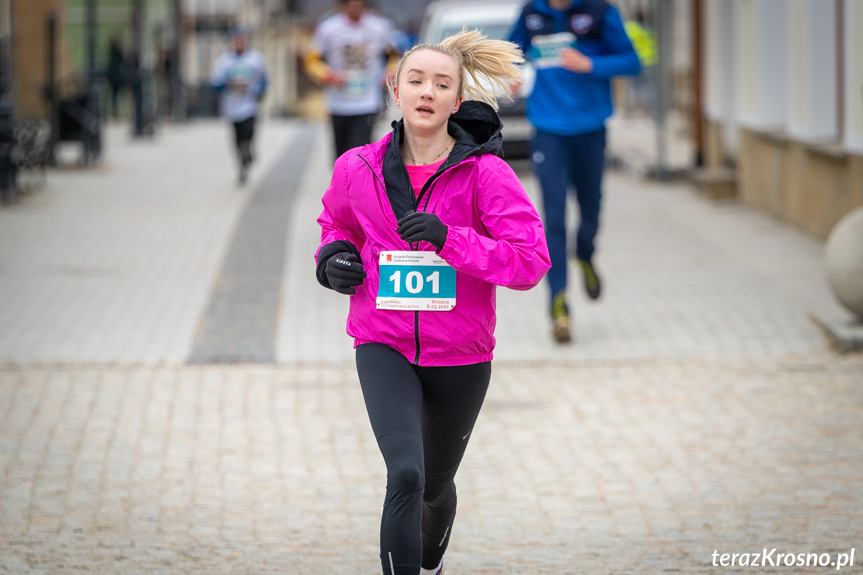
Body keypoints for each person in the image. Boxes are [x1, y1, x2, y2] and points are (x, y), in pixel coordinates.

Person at [314, 29, 550, 575]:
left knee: (435, 488)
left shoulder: (486, 174)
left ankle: (431, 557)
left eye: (441, 84)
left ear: (456, 100)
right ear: (394, 89)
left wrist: (451, 240)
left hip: (461, 354)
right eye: (416, 80)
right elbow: (336, 224)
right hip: (383, 342)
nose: (427, 92)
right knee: (406, 474)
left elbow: (529, 261)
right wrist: (332, 259)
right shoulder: (357, 166)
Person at [509, 0, 641, 343]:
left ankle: (584, 252)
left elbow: (632, 61)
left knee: (591, 211)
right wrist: (508, 73)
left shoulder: (600, 11)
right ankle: (559, 305)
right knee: (552, 218)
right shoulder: (530, 13)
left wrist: (590, 64)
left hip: (590, 128)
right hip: (548, 131)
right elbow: (510, 54)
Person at [305, 0, 400, 161]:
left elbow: (395, 56)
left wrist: (389, 74)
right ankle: (343, 184)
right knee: (341, 155)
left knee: (360, 150)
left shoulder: (380, 27)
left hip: (367, 99)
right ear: (341, 5)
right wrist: (329, 76)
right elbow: (312, 61)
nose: (354, 6)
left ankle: (360, 184)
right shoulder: (328, 28)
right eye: (349, 3)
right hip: (338, 101)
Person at [210, 28, 269, 185]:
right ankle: (242, 166)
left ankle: (248, 150)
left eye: (242, 40)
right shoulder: (223, 61)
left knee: (249, 132)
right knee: (236, 139)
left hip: (249, 104)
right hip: (232, 106)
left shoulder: (256, 59)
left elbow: (264, 79)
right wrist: (227, 84)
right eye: (236, 41)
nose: (239, 44)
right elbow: (215, 84)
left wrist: (260, 94)